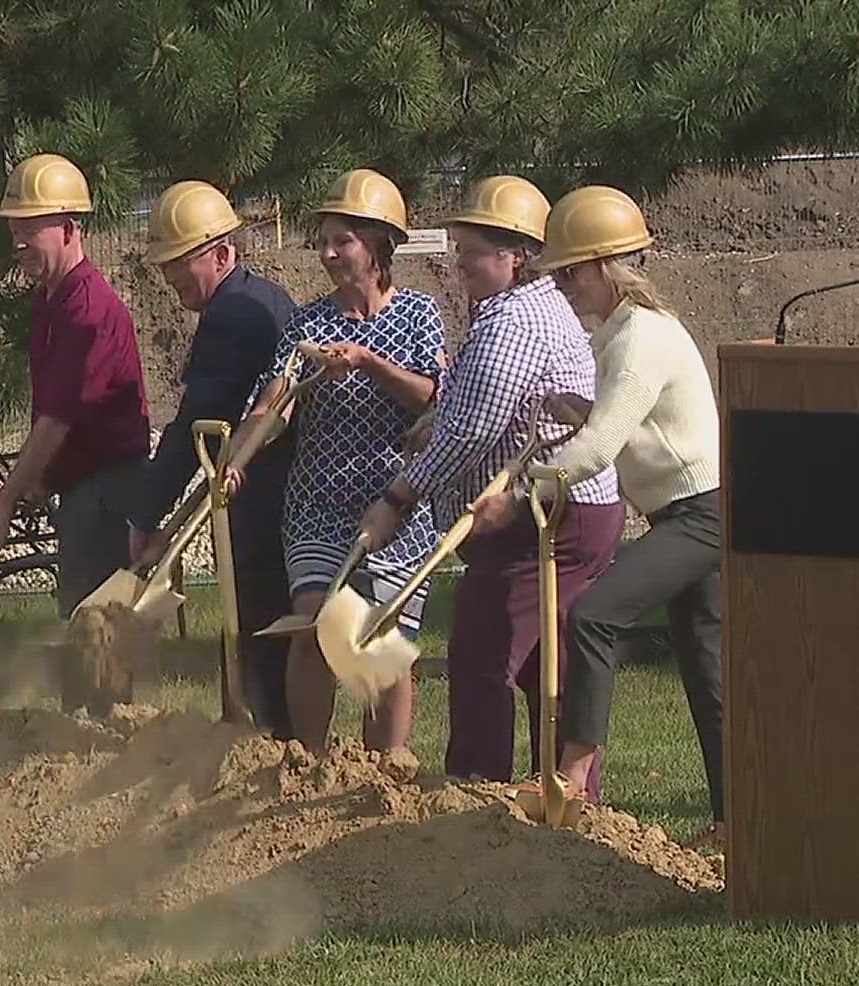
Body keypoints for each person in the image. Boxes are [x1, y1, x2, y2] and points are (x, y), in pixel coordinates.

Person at [356, 175, 625, 801]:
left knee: (482, 653)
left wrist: (397, 498)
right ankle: (564, 794)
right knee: (540, 661)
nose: (460, 263)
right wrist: (437, 421)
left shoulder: (516, 320)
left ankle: (476, 795)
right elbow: (476, 407)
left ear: (517, 255)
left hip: (545, 515)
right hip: (561, 508)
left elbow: (474, 431)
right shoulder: (515, 311)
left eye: (471, 250)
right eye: (458, 248)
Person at [494, 185, 726, 849]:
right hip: (682, 514)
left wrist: (515, 492)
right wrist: (567, 405)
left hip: (700, 515)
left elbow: (598, 448)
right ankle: (735, 822)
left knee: (593, 615)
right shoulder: (620, 334)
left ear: (605, 267)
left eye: (570, 273)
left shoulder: (640, 339)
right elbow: (611, 421)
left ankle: (570, 774)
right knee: (707, 670)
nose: (564, 287)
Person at [234, 168, 444, 754]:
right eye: (322, 240)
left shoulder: (419, 316)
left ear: (378, 245)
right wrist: (240, 451)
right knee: (313, 624)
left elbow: (434, 397)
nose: (326, 254)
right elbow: (273, 401)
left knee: (386, 642)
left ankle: (385, 773)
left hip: (397, 503)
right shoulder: (307, 324)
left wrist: (369, 363)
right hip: (317, 505)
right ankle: (310, 759)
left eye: (341, 241)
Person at [130, 180, 298, 738]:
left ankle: (270, 745)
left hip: (266, 498)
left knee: (261, 631)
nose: (169, 275)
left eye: (180, 262)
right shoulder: (263, 299)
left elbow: (197, 424)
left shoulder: (232, 318)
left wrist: (146, 513)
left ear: (222, 253)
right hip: (278, 488)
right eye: (164, 264)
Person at [0, 152, 151, 623]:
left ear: (70, 229)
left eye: (31, 229)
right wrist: (40, 479)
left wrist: (4, 502)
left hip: (108, 493)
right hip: (80, 488)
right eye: (14, 231)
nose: (18, 243)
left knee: (95, 630)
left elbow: (57, 421)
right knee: (82, 623)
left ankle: (105, 701)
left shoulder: (90, 311)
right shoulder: (51, 300)